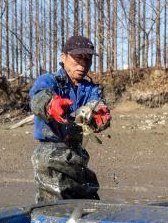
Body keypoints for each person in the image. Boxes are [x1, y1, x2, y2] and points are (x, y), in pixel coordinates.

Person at [28, 35, 112, 202]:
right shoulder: (49, 81)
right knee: (55, 204)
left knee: (89, 199)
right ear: (63, 57)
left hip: (77, 154)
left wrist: (101, 115)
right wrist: (51, 103)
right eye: (77, 58)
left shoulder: (90, 89)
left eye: (87, 59)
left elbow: (98, 104)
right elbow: (38, 96)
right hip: (49, 155)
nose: (82, 64)